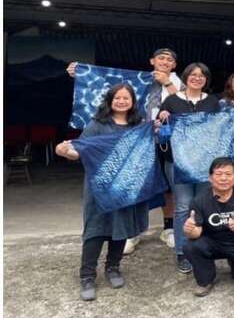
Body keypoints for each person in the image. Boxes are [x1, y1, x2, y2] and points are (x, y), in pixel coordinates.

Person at [67, 48, 183, 254]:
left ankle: (169, 228)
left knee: (167, 186)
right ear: (152, 60)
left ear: (174, 65)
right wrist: (82, 72)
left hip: (166, 140)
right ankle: (132, 231)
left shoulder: (178, 82)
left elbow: (181, 105)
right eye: (161, 58)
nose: (165, 61)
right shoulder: (137, 79)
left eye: (169, 59)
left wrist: (166, 82)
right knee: (133, 182)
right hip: (135, 139)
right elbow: (109, 87)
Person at [55, 83, 149, 301]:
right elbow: (81, 151)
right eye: (118, 98)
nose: (122, 101)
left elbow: (144, 154)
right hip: (99, 186)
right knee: (95, 229)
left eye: (127, 98)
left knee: (120, 227)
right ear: (110, 100)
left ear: (133, 102)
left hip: (125, 187)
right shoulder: (97, 124)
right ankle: (87, 276)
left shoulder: (138, 125)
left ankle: (113, 268)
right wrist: (65, 151)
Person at [158, 62, 221, 274]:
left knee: (203, 205)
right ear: (185, 77)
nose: (197, 78)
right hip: (177, 161)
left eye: (202, 75)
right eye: (193, 75)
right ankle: (182, 251)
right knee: (183, 206)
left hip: (204, 162)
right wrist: (162, 119)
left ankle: (202, 247)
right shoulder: (171, 100)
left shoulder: (213, 102)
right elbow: (159, 127)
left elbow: (220, 128)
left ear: (206, 79)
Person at [182, 157, 234, 297]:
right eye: (219, 174)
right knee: (191, 246)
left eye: (228, 174)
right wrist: (189, 230)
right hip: (213, 241)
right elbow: (196, 232)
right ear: (210, 178)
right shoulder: (199, 200)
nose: (223, 178)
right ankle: (205, 280)